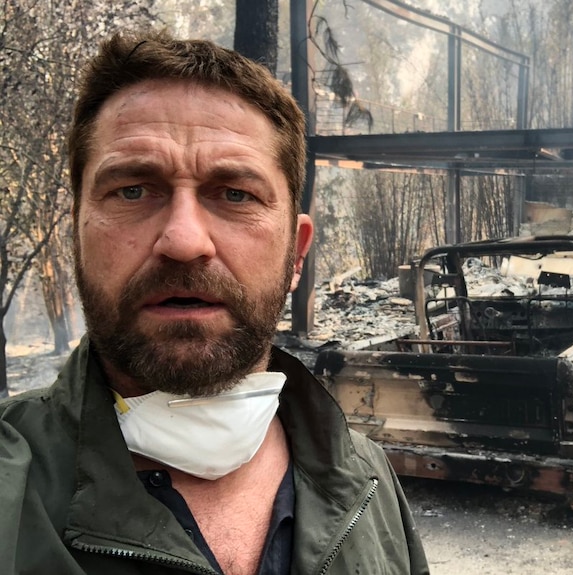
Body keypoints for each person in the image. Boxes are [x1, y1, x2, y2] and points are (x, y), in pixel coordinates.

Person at [0, 28, 429, 575]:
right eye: (133, 190)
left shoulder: (369, 483)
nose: (183, 241)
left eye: (235, 194)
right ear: (78, 236)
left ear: (295, 254)